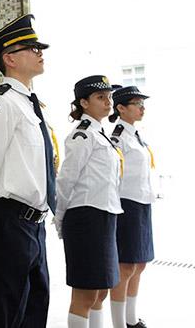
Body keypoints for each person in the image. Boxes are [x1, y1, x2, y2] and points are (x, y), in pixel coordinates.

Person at [0, 14, 57, 328]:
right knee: (2, 315)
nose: (39, 51)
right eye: (31, 47)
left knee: (34, 309)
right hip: (7, 223)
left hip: (35, 223)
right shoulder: (1, 105)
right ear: (10, 58)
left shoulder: (31, 105)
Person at [55, 76, 123, 328]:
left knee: (101, 290)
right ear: (83, 102)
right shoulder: (82, 135)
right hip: (85, 218)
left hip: (104, 216)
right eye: (100, 97)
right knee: (85, 293)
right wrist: (60, 217)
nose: (108, 102)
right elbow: (66, 180)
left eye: (109, 97)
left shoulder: (99, 133)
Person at [107, 86, 154, 328]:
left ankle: (131, 318)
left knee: (140, 263)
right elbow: (113, 176)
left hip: (142, 203)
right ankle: (118, 324)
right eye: (136, 103)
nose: (142, 107)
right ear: (121, 108)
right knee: (126, 266)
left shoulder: (135, 135)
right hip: (126, 204)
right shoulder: (117, 137)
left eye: (142, 103)